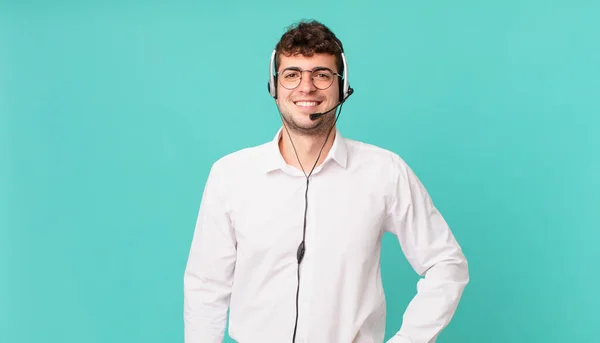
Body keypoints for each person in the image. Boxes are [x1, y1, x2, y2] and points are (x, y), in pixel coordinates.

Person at [183, 19, 469, 343]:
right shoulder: (230, 175)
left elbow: (447, 264)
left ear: (342, 86)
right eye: (292, 75)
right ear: (274, 87)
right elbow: (206, 288)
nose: (306, 88)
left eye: (321, 74)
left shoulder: (385, 172)